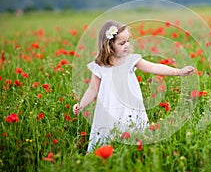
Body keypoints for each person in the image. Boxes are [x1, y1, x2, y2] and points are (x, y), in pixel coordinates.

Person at [73, 20, 196, 152]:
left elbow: (154, 67)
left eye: (128, 41)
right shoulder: (100, 66)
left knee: (132, 134)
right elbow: (93, 89)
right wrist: (81, 105)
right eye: (122, 43)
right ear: (108, 45)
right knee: (109, 136)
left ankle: (134, 154)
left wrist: (178, 72)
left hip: (129, 106)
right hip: (109, 108)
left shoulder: (131, 60)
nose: (127, 45)